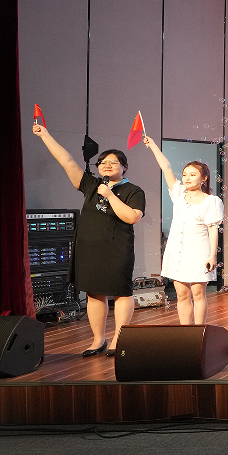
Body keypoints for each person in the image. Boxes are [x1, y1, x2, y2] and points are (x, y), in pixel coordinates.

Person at [32, 123, 144, 357]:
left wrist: (110, 195)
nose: (106, 165)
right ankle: (98, 340)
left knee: (121, 292)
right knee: (94, 293)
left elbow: (132, 217)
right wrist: (46, 135)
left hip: (117, 249)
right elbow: (67, 161)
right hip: (90, 248)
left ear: (124, 167)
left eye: (113, 162)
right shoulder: (92, 185)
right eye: (102, 162)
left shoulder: (134, 191)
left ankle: (119, 339)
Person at [143, 135, 223, 325]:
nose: (187, 178)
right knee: (182, 294)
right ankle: (186, 332)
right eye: (185, 174)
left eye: (193, 174)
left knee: (198, 293)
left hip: (199, 252)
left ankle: (199, 332)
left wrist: (212, 256)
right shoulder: (179, 194)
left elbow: (213, 229)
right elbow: (166, 168)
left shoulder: (211, 201)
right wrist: (153, 145)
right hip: (177, 252)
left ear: (204, 178)